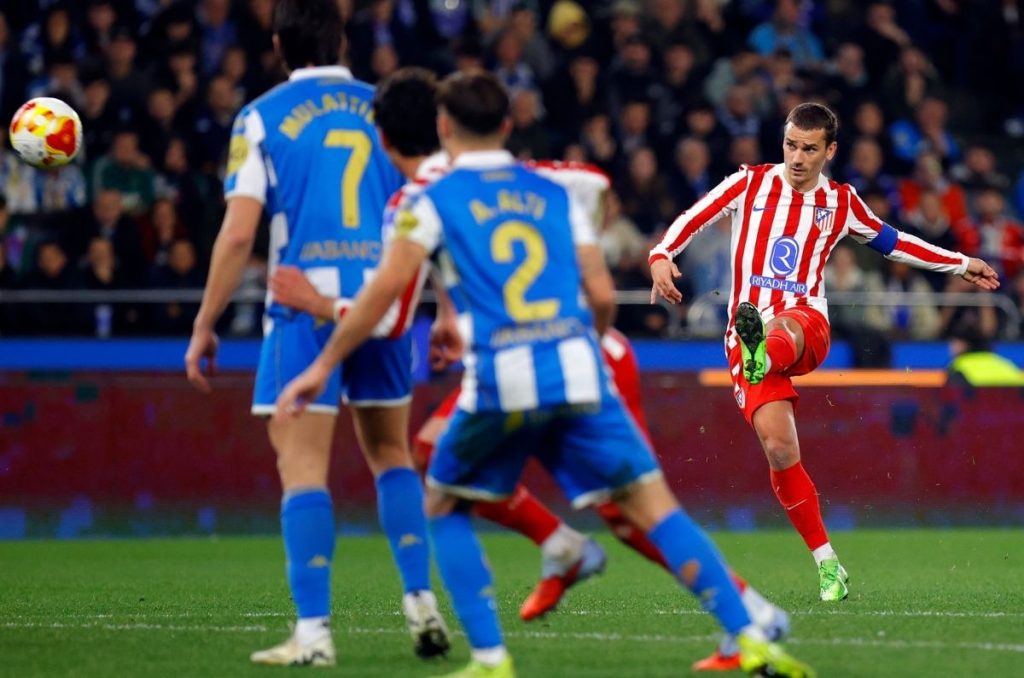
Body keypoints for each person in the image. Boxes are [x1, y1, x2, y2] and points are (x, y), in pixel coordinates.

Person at [276, 71, 813, 678]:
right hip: (581, 370)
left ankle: (490, 656)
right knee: (656, 510)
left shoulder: (425, 201)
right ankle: (753, 635)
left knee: (442, 503)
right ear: (508, 125)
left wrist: (319, 363)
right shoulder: (555, 190)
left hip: (502, 381)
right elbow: (603, 293)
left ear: (445, 128)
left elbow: (383, 302)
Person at [184, 2, 448, 667]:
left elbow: (240, 231)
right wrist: (442, 305)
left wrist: (205, 321)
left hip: (304, 308)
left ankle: (314, 633)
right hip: (384, 306)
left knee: (303, 467)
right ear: (343, 39)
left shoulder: (262, 117)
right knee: (392, 456)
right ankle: (422, 603)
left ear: (277, 44)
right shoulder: (386, 108)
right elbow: (434, 204)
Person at [649, 102, 1000, 602]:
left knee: (785, 328)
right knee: (780, 448)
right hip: (746, 330)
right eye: (791, 145)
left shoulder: (841, 202)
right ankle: (828, 564)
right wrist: (661, 255)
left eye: (809, 149)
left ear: (829, 151)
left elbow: (895, 242)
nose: (796, 157)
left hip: (803, 324)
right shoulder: (748, 183)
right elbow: (693, 216)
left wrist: (960, 262)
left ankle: (762, 351)